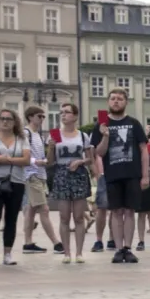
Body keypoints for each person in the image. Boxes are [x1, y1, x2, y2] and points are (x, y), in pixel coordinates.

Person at [89, 88, 149, 264]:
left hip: (132, 174)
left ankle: (128, 248)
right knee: (115, 212)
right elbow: (99, 152)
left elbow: (144, 150)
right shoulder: (101, 125)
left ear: (125, 102)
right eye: (113, 99)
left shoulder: (134, 123)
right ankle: (117, 248)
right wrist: (105, 136)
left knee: (130, 211)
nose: (116, 101)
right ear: (108, 102)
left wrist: (145, 176)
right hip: (112, 174)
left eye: (120, 99)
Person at [0, 109, 31, 266]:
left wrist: (7, 160)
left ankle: (8, 254)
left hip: (16, 182)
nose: (5, 121)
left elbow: (26, 160)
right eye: (2, 118)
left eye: (9, 119)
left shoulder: (21, 138)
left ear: (15, 122)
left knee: (11, 218)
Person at [49, 103, 93, 263]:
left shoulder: (82, 136)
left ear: (75, 116)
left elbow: (90, 159)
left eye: (67, 112)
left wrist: (80, 161)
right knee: (64, 216)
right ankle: (67, 253)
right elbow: (50, 161)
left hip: (79, 175)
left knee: (79, 216)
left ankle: (79, 253)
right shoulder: (55, 134)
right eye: (62, 112)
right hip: (62, 174)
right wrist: (50, 148)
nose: (63, 115)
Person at [21, 106, 63, 254]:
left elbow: (48, 160)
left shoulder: (38, 135)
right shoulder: (25, 133)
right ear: (30, 117)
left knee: (30, 210)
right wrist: (35, 161)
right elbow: (21, 153)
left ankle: (28, 243)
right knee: (44, 209)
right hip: (31, 175)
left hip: (40, 175)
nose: (42, 119)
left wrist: (51, 148)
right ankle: (57, 243)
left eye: (43, 116)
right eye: (40, 116)